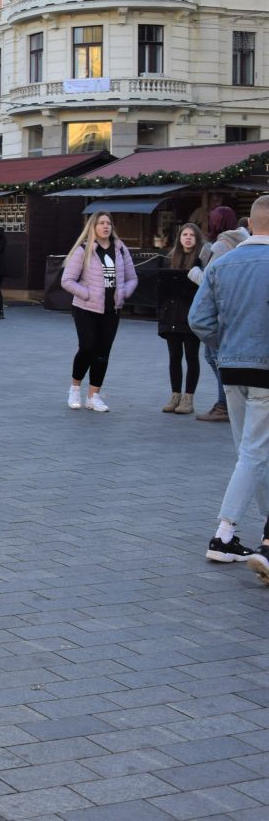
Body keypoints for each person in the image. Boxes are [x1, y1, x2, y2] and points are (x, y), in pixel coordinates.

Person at [190, 195, 269, 568]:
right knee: (255, 453)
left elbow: (199, 320)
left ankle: (260, 535)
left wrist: (226, 348)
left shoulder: (225, 262)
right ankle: (223, 533)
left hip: (232, 368)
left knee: (251, 453)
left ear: (250, 225)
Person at [60, 212, 139, 411]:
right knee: (87, 346)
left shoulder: (120, 249)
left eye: (108, 223)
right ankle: (75, 388)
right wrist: (86, 294)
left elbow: (132, 278)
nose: (106, 226)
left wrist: (124, 293)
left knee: (103, 351)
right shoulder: (84, 249)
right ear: (93, 227)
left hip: (111, 310)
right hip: (86, 308)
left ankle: (94, 396)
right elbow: (67, 280)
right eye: (101, 223)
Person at [198, 207, 245, 423]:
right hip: (236, 310)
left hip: (218, 311)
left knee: (214, 357)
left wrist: (194, 272)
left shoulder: (219, 245)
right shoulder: (243, 242)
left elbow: (210, 281)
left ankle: (223, 403)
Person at [157, 222, 208, 414]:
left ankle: (189, 398)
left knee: (191, 356)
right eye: (184, 235)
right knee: (174, 356)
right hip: (172, 314)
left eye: (191, 235)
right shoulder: (170, 260)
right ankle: (175, 395)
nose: (187, 238)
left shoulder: (202, 260)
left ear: (197, 239)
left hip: (192, 315)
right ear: (179, 238)